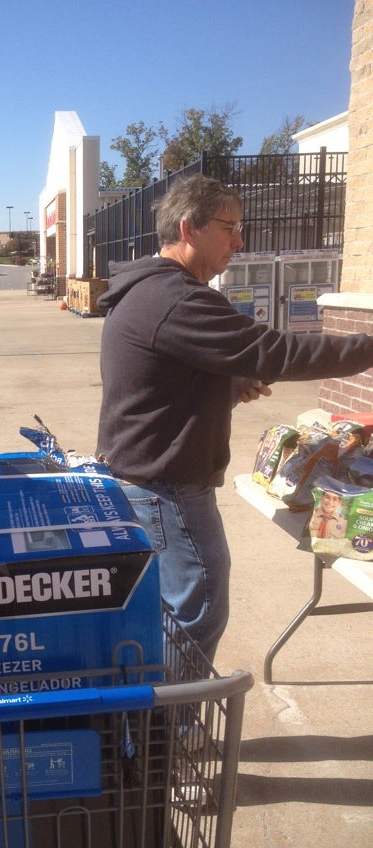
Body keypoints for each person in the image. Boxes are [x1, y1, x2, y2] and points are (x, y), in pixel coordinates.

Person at [96, 173, 373, 664]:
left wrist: (225, 386)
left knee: (171, 613)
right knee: (197, 610)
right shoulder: (177, 299)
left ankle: (150, 726)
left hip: (147, 478)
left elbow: (158, 387)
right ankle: (167, 730)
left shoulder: (149, 292)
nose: (239, 242)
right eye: (230, 228)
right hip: (168, 486)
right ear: (189, 229)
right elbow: (275, 350)